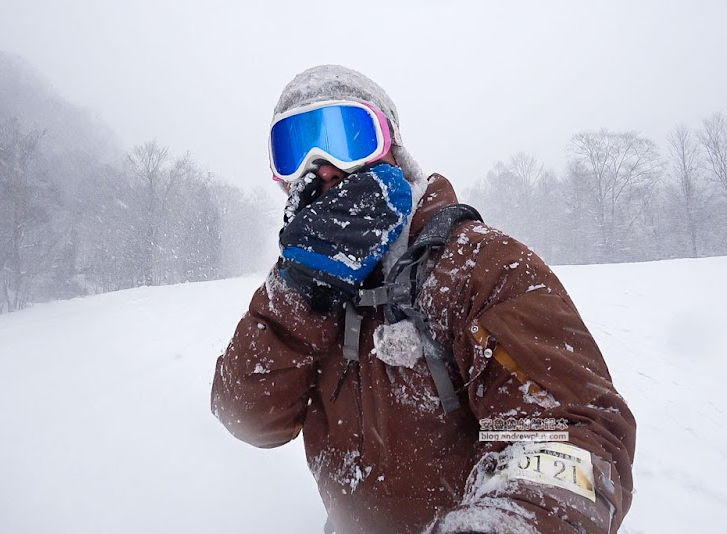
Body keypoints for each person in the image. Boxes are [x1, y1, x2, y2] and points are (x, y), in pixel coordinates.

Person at [211, 65, 636, 534]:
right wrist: (299, 289)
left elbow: (568, 431)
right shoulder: (301, 285)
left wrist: (498, 524)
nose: (324, 167)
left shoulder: (481, 267)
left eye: (349, 137)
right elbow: (248, 415)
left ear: (392, 149)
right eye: (295, 150)